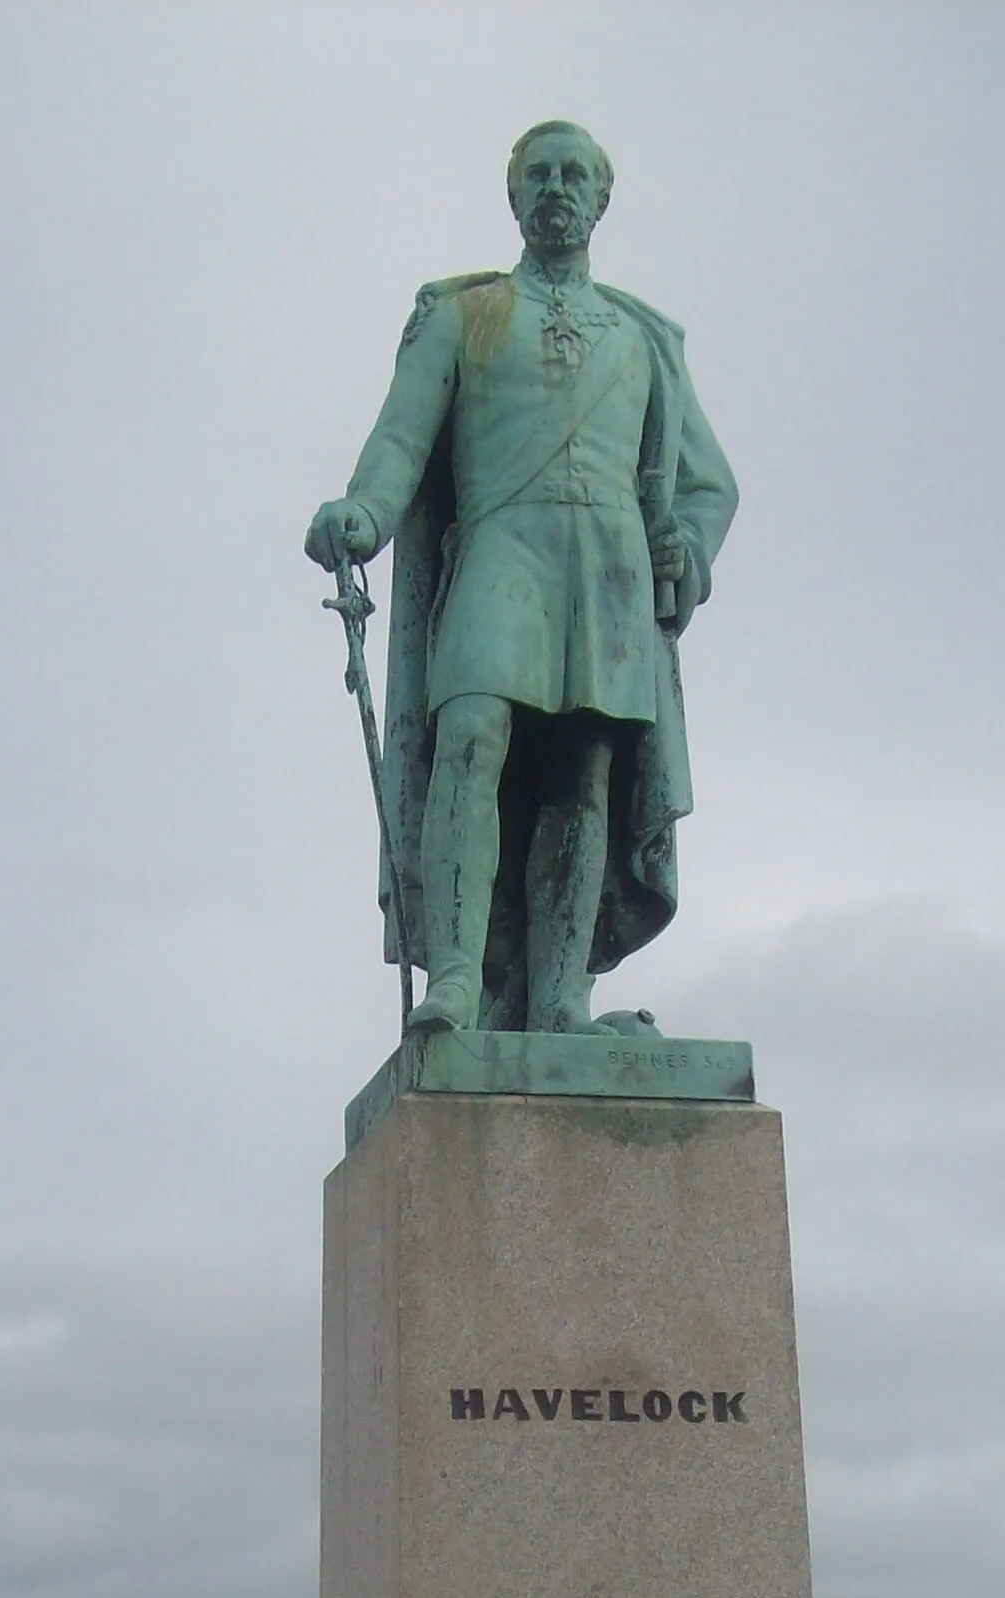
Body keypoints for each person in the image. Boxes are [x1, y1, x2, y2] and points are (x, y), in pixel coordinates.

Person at [304, 121, 737, 1034]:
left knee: (580, 775)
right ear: (513, 197)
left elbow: (707, 484)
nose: (556, 188)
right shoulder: (462, 315)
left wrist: (687, 552)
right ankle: (458, 978)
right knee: (470, 737)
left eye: (575, 175)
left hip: (610, 571)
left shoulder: (643, 339)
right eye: (538, 174)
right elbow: (401, 438)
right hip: (503, 551)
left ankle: (562, 999)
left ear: (601, 200)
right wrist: (364, 512)